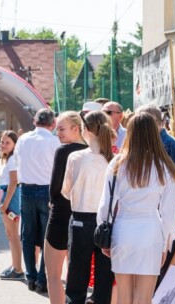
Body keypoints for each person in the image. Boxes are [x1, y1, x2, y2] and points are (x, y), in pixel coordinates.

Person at [97, 112, 175, 304]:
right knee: (144, 297)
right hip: (151, 231)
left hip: (123, 229)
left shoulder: (118, 163)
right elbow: (168, 214)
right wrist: (167, 242)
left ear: (130, 133)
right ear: (154, 133)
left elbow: (105, 204)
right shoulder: (165, 167)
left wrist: (103, 232)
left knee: (123, 296)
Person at [62, 110, 115, 304]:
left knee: (76, 279)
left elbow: (66, 192)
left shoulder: (75, 157)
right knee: (104, 282)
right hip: (108, 224)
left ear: (86, 129)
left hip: (80, 220)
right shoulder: (114, 159)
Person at [13, 108, 61, 293]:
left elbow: (17, 163)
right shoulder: (55, 142)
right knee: (46, 237)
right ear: (53, 124)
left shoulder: (23, 139)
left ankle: (30, 276)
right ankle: (42, 278)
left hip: (26, 189)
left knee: (27, 234)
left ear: (34, 121)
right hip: (47, 190)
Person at [44, 111, 87, 303]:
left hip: (61, 214)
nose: (57, 133)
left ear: (75, 129)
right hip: (84, 217)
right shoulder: (95, 153)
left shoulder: (63, 152)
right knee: (76, 275)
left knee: (53, 275)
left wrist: (52, 201)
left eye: (61, 129)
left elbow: (55, 189)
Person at [0, 130, 23, 280]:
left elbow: (14, 182)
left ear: (15, 144)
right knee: (11, 234)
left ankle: (17, 268)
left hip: (10, 196)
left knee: (13, 235)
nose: (3, 145)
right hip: (9, 195)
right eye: (2, 141)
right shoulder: (10, 158)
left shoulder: (12, 158)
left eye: (7, 142)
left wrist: (5, 204)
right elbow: (8, 179)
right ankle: (16, 266)